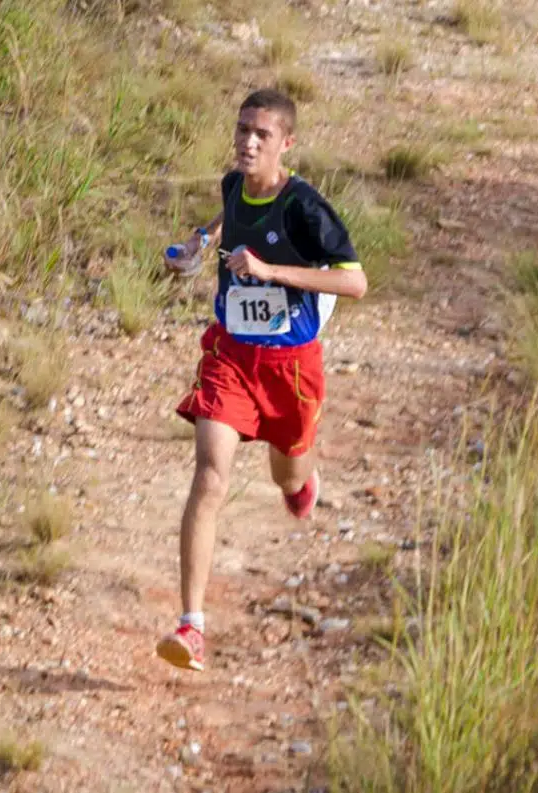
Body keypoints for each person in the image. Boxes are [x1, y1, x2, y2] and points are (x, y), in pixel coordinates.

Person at [156, 88, 368, 672]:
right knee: (209, 476)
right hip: (229, 355)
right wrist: (199, 243)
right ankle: (191, 626)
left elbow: (356, 283)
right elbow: (232, 212)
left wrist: (270, 270)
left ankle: (302, 478)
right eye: (242, 129)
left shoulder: (306, 207)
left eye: (262, 135)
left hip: (290, 367)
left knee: (287, 472)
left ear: (286, 144)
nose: (248, 142)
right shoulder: (233, 183)